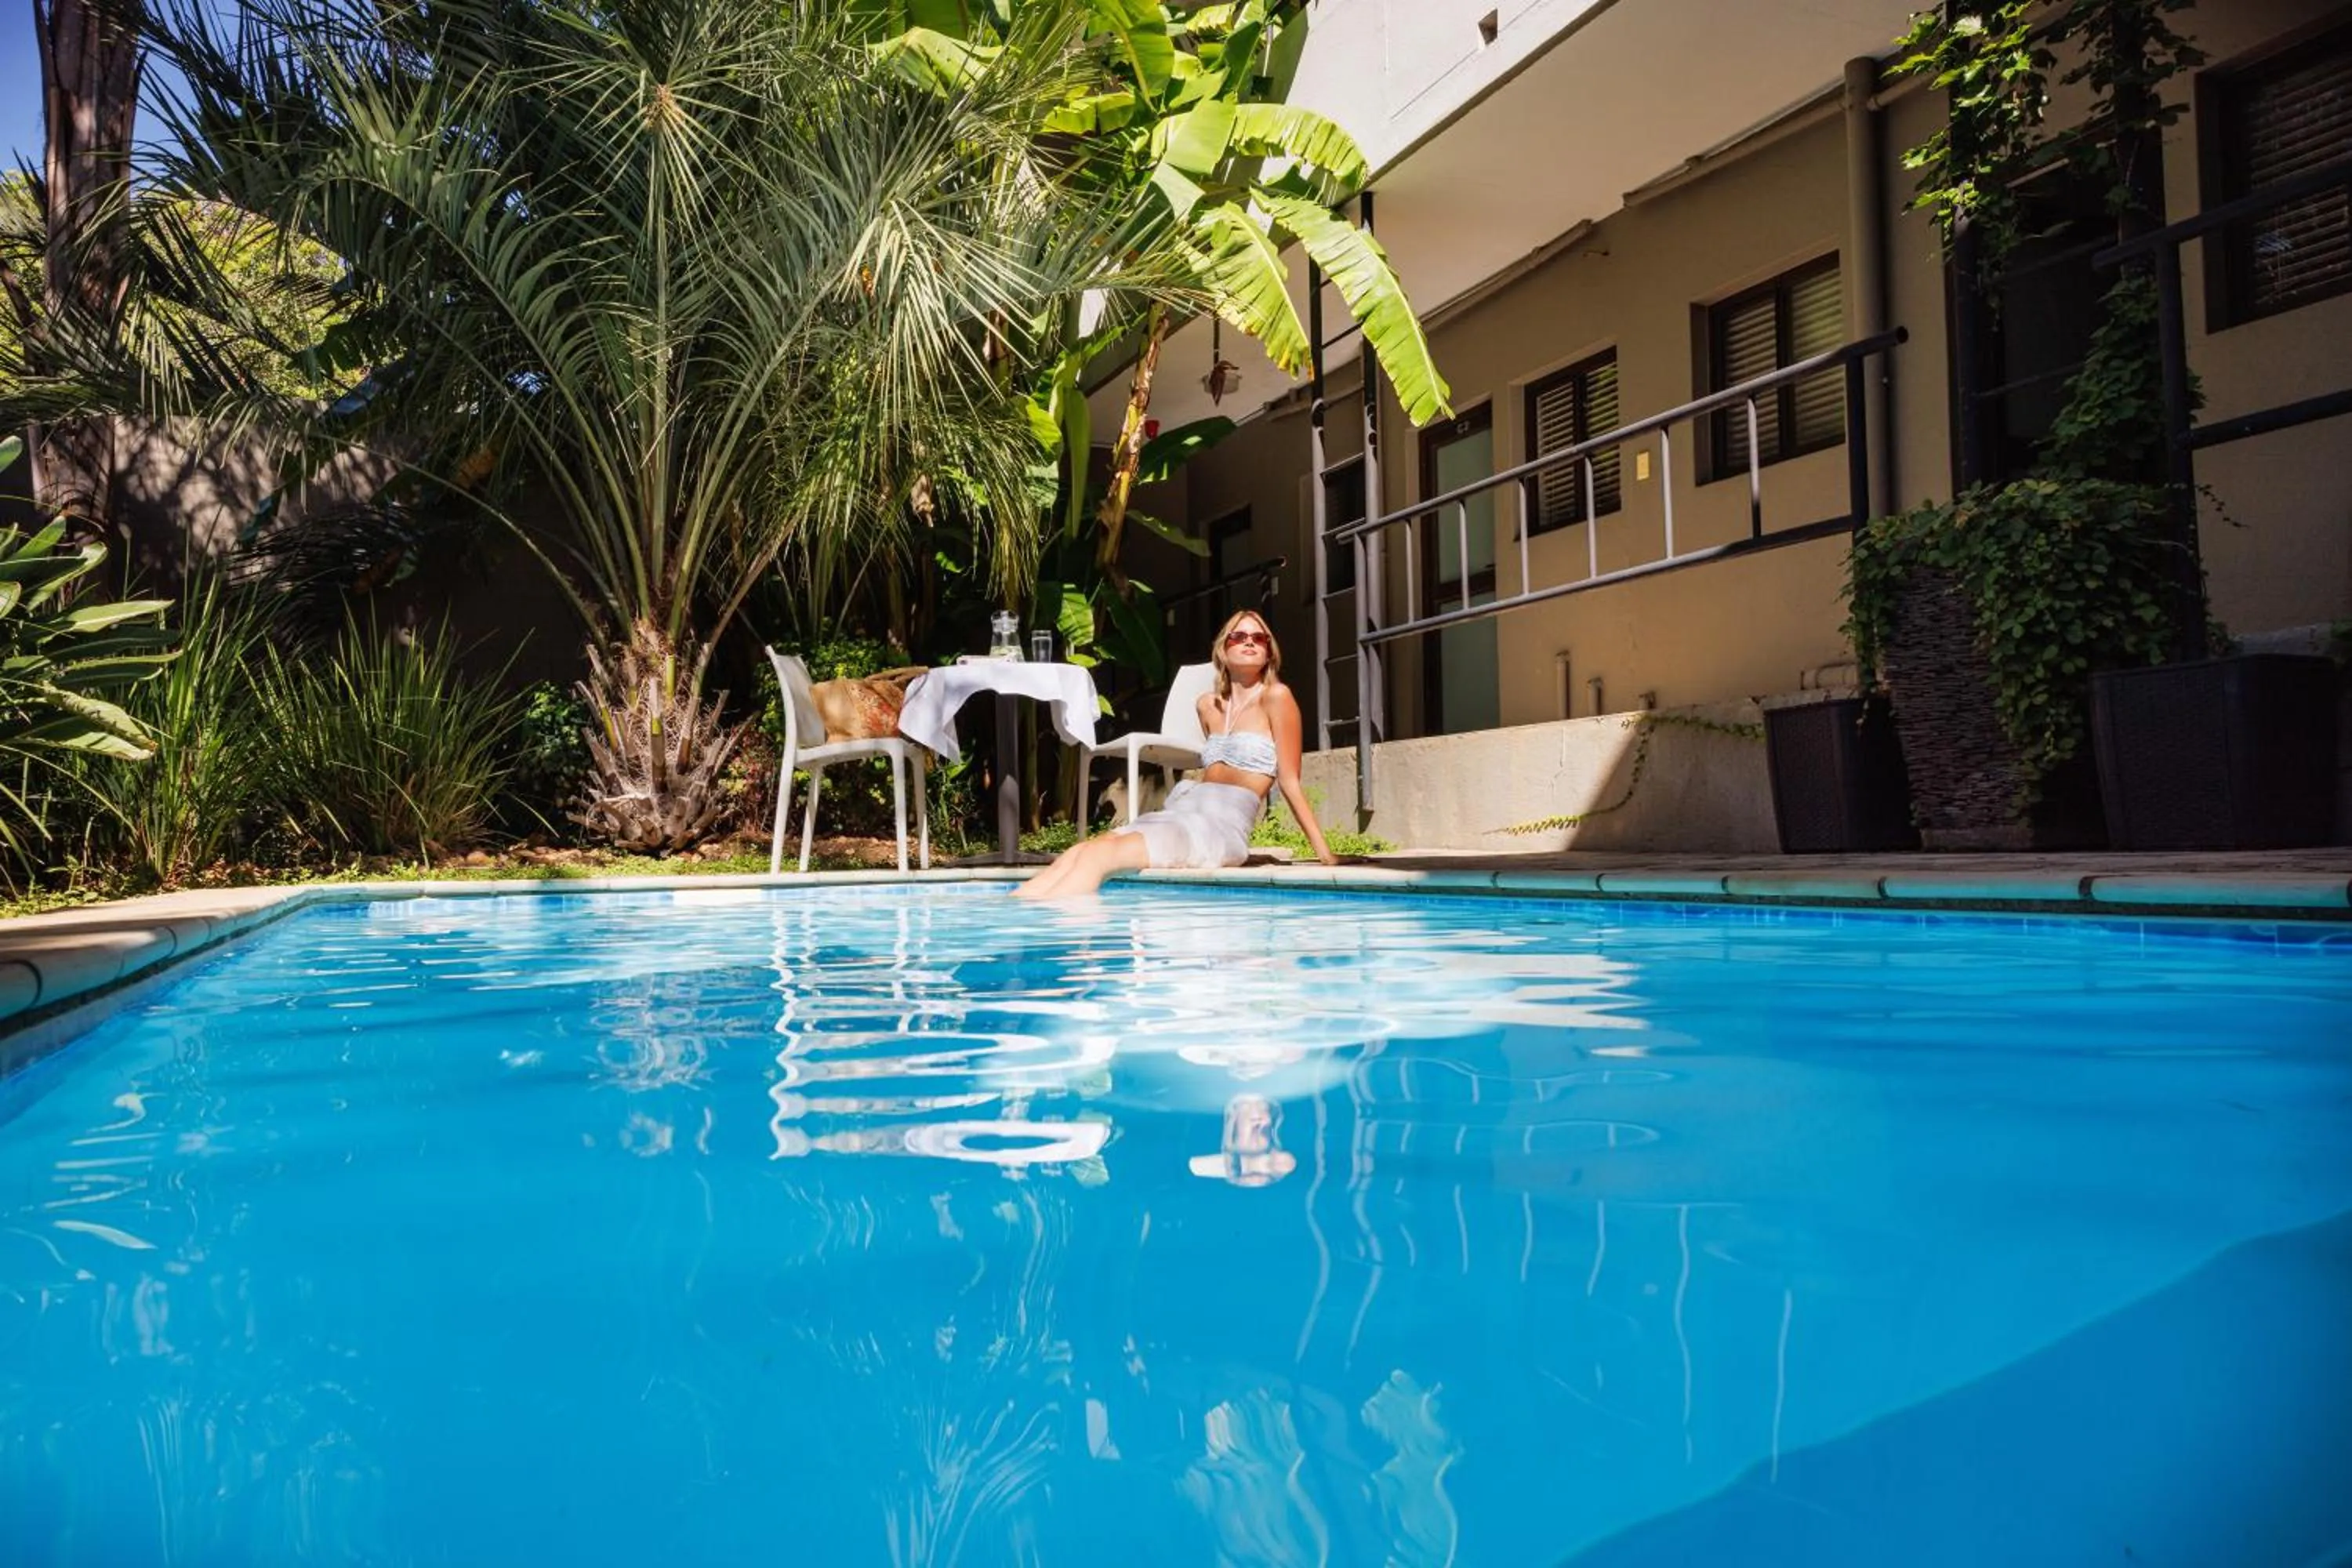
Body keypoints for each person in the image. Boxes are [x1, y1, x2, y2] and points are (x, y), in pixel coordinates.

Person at [1014, 609, 1338, 899]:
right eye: (1239, 636)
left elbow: (1290, 781)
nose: (1249, 642)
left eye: (1259, 638)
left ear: (1269, 652)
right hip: (1181, 812)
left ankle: (1066, 948)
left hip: (1218, 828)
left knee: (1099, 860)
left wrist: (1326, 855)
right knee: (1082, 851)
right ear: (1223, 652)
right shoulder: (1207, 706)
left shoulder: (1277, 697)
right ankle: (1015, 928)